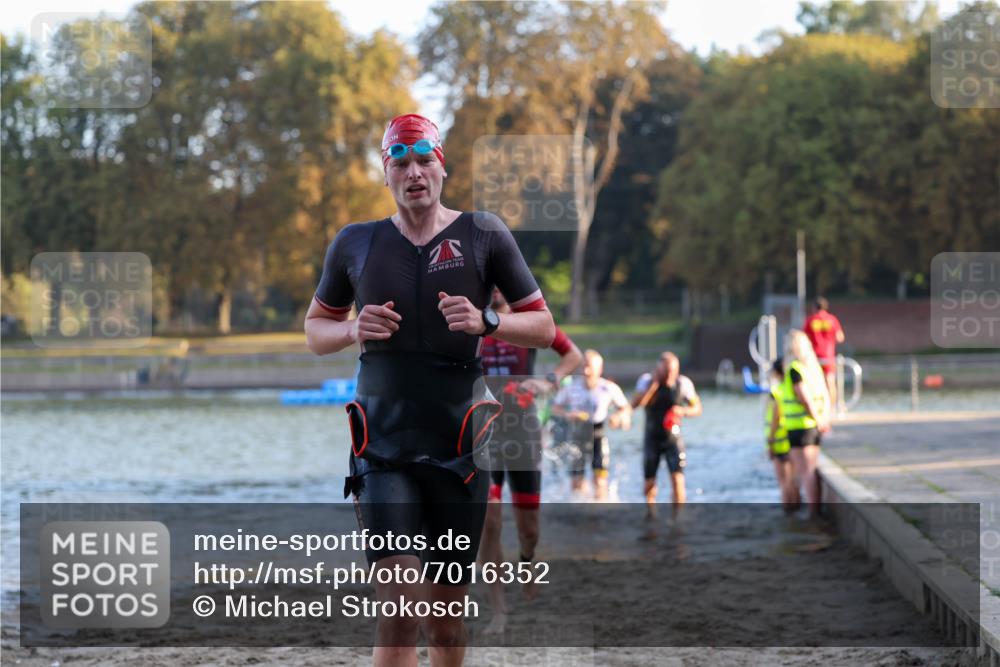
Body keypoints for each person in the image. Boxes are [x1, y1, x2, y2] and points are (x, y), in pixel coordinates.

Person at [304, 113, 555, 667]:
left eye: (424, 161)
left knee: (445, 621)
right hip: (382, 445)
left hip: (459, 448)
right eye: (401, 164)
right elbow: (315, 330)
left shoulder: (484, 234)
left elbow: (543, 326)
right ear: (386, 174)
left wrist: (488, 321)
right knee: (398, 607)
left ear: (443, 168)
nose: (414, 173)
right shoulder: (355, 242)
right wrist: (352, 328)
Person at [478, 288, 582, 634]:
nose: (495, 289)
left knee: (529, 530)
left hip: (523, 432)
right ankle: (499, 609)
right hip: (484, 432)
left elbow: (573, 355)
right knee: (489, 522)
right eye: (490, 283)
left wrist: (548, 381)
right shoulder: (471, 320)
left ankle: (526, 560)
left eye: (500, 283)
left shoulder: (528, 323)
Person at [550, 349, 631, 500]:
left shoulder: (608, 388)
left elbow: (625, 407)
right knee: (576, 484)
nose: (586, 371)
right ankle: (580, 508)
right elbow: (555, 408)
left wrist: (618, 416)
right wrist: (568, 414)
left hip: (598, 436)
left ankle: (599, 508)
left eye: (590, 368)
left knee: (600, 482)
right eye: (584, 367)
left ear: (599, 369)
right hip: (577, 437)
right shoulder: (571, 387)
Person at [632, 352, 702, 517]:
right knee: (649, 484)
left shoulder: (683, 383)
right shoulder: (646, 381)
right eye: (666, 372)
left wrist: (683, 410)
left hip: (673, 438)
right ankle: (651, 515)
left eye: (673, 372)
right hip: (652, 438)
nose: (670, 376)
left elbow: (697, 408)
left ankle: (678, 517)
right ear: (659, 369)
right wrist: (653, 386)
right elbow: (635, 405)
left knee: (678, 480)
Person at [781, 329, 831, 518]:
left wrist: (817, 419)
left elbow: (804, 398)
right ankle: (813, 511)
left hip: (799, 427)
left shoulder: (795, 369)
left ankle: (812, 513)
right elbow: (825, 395)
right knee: (810, 470)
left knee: (805, 473)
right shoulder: (813, 368)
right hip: (812, 425)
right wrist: (823, 418)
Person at [765, 358, 798, 512]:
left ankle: (787, 513)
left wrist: (770, 441)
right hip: (790, 436)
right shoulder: (790, 388)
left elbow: (775, 417)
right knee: (792, 479)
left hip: (778, 441)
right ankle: (796, 509)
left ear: (776, 373)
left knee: (784, 481)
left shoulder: (776, 391)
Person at [803, 296, 845, 408]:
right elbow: (840, 337)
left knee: (814, 382)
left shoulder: (811, 320)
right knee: (830, 382)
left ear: (814, 307)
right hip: (828, 356)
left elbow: (804, 338)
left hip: (814, 356)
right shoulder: (832, 319)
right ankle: (832, 408)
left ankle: (817, 406)